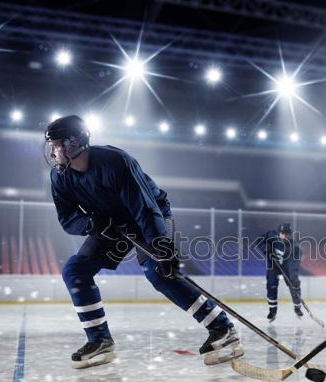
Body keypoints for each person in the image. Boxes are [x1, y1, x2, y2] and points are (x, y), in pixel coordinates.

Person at [45, 115, 243, 368]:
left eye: (56, 144)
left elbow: (145, 208)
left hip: (148, 216)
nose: (52, 152)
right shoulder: (59, 177)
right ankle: (100, 340)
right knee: (75, 270)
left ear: (74, 143)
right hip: (111, 225)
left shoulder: (115, 161)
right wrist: (92, 224)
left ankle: (222, 328)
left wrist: (161, 246)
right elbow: (68, 218)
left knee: (159, 273)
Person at [261, 223, 303, 321]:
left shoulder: (295, 247)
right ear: (278, 232)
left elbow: (294, 265)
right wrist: (265, 248)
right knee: (271, 285)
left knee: (294, 284)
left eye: (286, 234)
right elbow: (260, 241)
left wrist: (293, 278)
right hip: (273, 266)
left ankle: (297, 308)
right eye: (281, 233)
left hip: (287, 268)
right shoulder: (270, 236)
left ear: (289, 235)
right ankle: (272, 310)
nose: (283, 236)